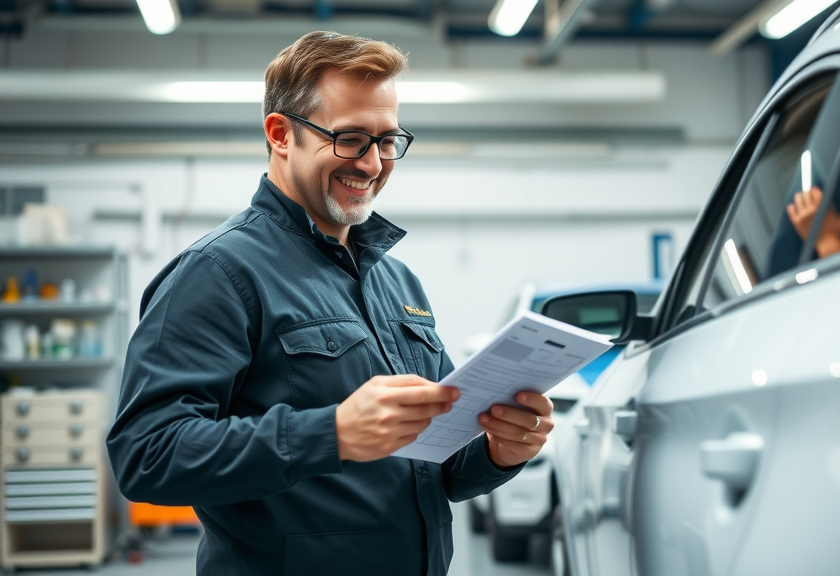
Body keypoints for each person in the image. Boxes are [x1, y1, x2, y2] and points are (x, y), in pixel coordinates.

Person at [105, 31, 552, 576]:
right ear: (280, 134)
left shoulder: (398, 282)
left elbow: (440, 465)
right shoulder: (217, 273)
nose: (372, 163)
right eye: (350, 139)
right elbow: (147, 456)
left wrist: (500, 451)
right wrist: (332, 433)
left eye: (388, 140)